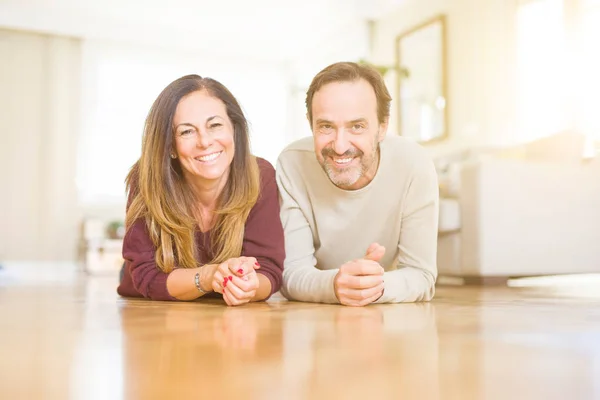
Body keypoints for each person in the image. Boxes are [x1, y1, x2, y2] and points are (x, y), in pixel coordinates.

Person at [276, 62, 439, 306]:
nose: (340, 146)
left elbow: (422, 274)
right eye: (326, 126)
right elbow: (292, 273)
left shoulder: (414, 164)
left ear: (382, 127)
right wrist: (335, 285)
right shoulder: (292, 163)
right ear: (311, 124)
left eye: (357, 126)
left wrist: (374, 286)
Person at [117, 74, 285, 306]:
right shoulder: (147, 177)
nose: (204, 141)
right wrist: (207, 277)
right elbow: (148, 276)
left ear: (234, 130)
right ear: (170, 147)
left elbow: (268, 270)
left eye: (215, 125)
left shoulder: (260, 175)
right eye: (187, 131)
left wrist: (250, 285)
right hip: (152, 299)